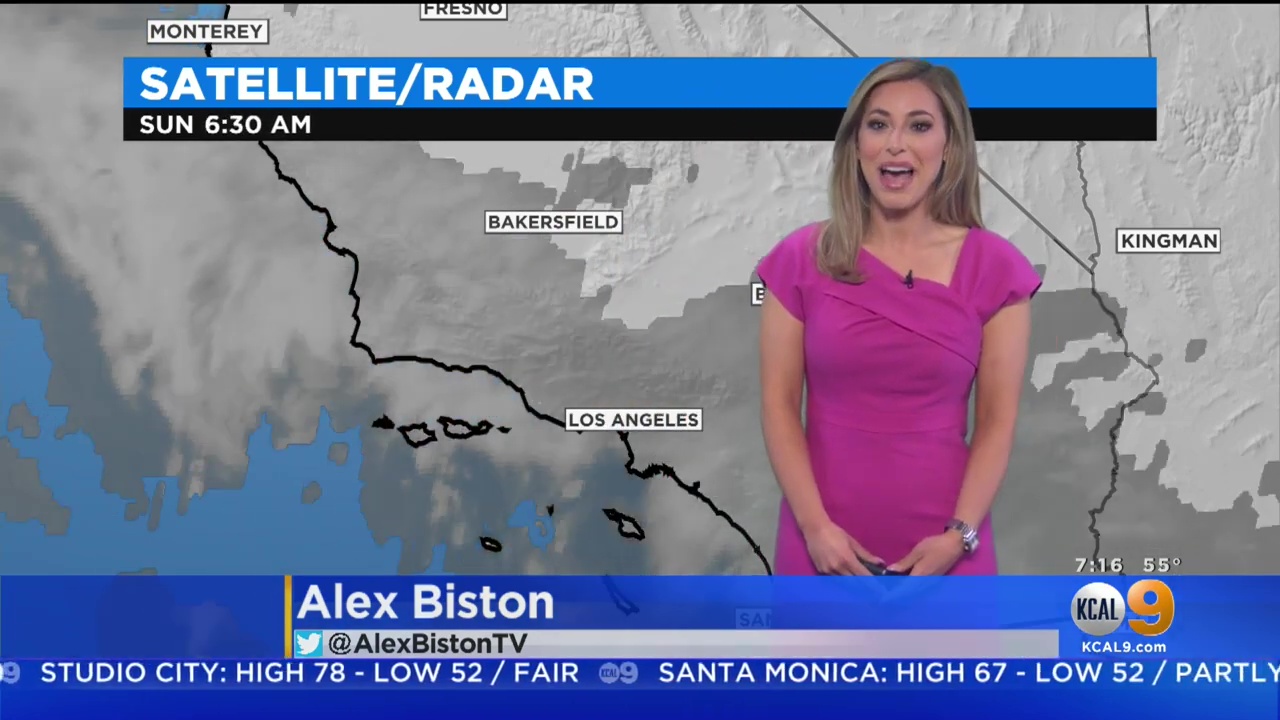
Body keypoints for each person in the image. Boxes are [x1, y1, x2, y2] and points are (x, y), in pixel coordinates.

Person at [756, 58, 1041, 577]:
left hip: (949, 549)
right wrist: (816, 529)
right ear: (855, 144)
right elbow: (778, 405)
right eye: (878, 124)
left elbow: (997, 423)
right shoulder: (801, 259)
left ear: (949, 147)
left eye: (920, 126)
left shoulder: (996, 269)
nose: (896, 144)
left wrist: (958, 538)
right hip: (821, 547)